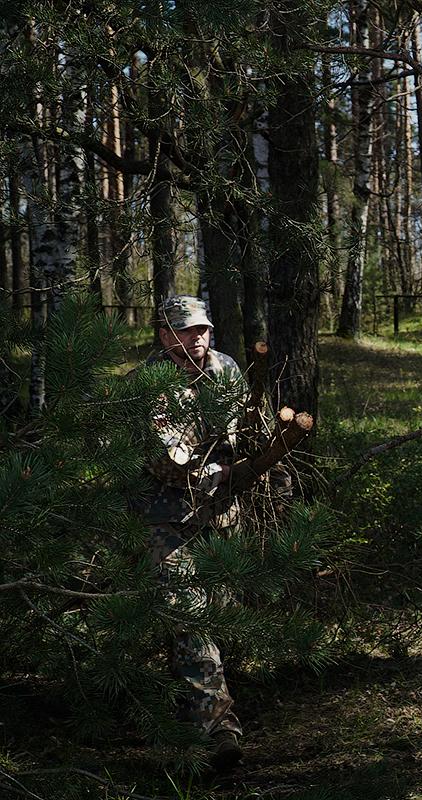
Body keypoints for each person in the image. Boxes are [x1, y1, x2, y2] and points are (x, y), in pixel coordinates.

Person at [136, 295, 247, 771]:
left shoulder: (226, 368)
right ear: (165, 335)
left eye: (201, 328)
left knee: (220, 614)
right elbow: (169, 462)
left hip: (220, 515)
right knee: (190, 618)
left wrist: (238, 468)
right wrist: (220, 470)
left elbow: (249, 429)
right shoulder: (149, 383)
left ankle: (189, 717)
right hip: (167, 517)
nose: (196, 338)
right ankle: (219, 730)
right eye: (184, 330)